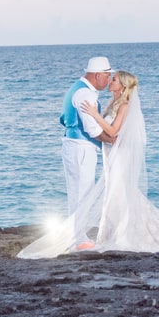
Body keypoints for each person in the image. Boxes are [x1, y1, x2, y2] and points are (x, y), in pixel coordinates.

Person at [17, 70, 159, 259]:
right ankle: (111, 232)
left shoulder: (125, 105)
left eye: (113, 79)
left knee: (120, 189)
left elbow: (113, 132)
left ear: (122, 85)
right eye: (110, 77)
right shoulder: (112, 103)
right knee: (114, 192)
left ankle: (125, 232)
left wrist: (94, 115)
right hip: (109, 154)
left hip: (118, 156)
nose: (109, 81)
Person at [59, 56, 114, 250]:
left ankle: (77, 236)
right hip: (81, 148)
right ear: (98, 75)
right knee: (83, 192)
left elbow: (63, 118)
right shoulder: (86, 95)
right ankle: (79, 239)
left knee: (77, 192)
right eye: (107, 76)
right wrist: (112, 141)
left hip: (72, 145)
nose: (108, 81)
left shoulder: (76, 88)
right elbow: (92, 129)